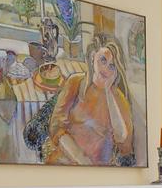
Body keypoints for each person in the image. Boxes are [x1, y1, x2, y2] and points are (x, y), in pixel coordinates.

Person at [43, 36, 137, 165]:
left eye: (112, 66)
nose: (105, 69)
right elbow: (56, 127)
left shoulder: (118, 98)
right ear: (93, 57)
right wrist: (81, 159)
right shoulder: (75, 82)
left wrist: (108, 92)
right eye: (103, 60)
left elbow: (123, 140)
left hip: (98, 171)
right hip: (66, 160)